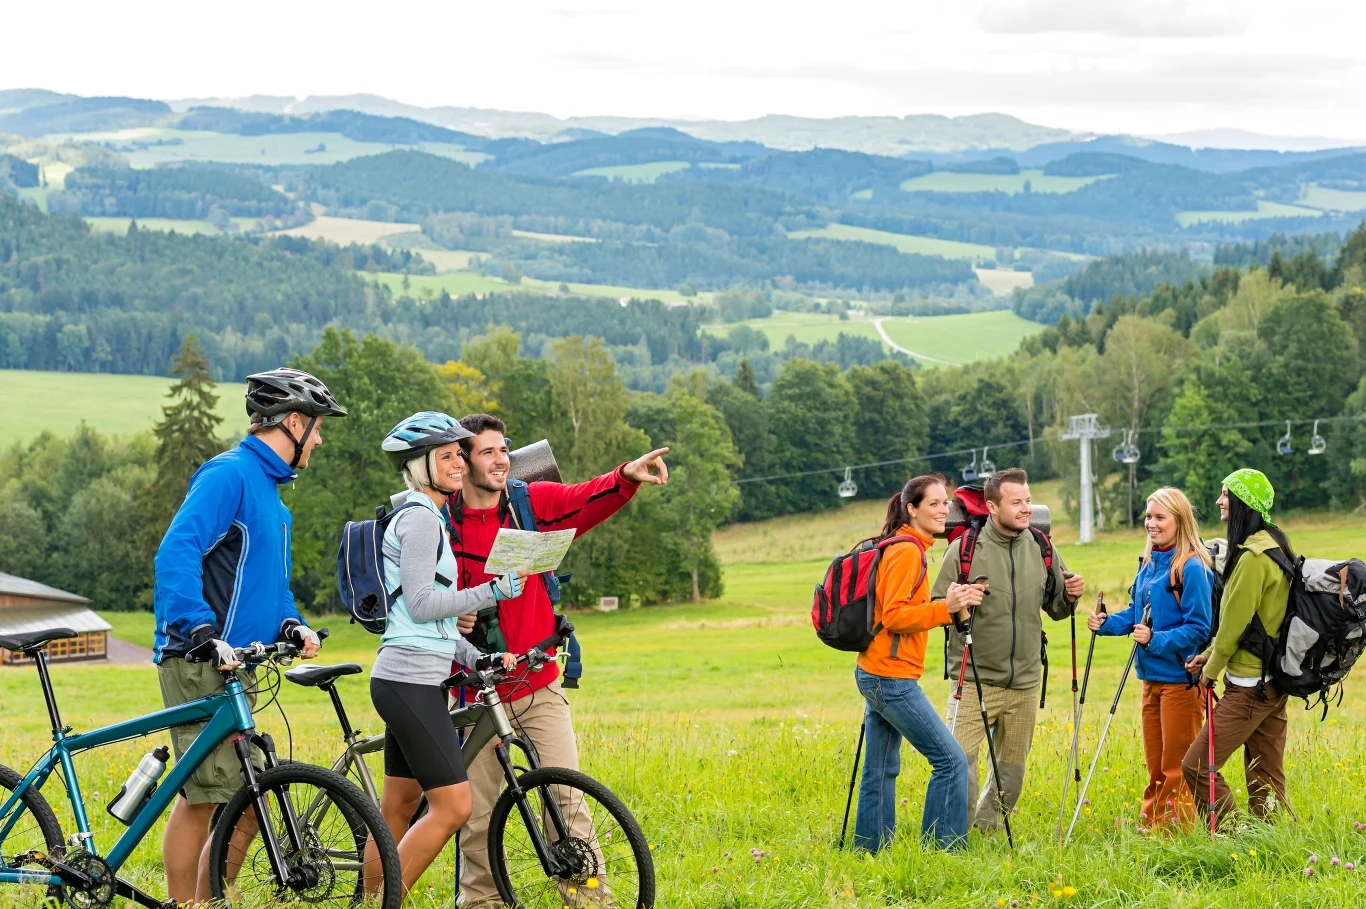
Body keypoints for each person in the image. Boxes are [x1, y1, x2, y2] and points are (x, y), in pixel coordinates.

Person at [446, 413, 670, 905]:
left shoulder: (529, 504)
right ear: (460, 463)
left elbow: (583, 500)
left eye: (504, 449)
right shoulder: (439, 523)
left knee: (566, 805)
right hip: (473, 695)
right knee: (478, 819)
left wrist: (626, 476)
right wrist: (452, 620)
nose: (502, 459)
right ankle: (482, 903)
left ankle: (589, 899)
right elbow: (415, 600)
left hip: (537, 683)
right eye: (488, 452)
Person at [152, 367, 341, 905]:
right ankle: (184, 903)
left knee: (248, 797)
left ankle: (212, 896)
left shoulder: (273, 498)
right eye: (318, 427)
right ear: (295, 422)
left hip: (239, 667)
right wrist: (200, 630)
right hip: (200, 659)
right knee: (208, 794)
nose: (320, 439)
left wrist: (291, 622)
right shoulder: (228, 475)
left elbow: (270, 585)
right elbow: (176, 552)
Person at [362, 412, 526, 896]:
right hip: (409, 681)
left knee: (399, 805)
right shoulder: (419, 520)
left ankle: (369, 898)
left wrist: (477, 660)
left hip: (414, 674)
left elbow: (426, 624)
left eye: (460, 454)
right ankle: (387, 902)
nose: (459, 464)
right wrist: (489, 592)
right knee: (453, 807)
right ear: (420, 465)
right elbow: (423, 603)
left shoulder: (428, 515)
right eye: (447, 456)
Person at [930, 467, 1084, 832]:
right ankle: (953, 839)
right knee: (959, 766)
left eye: (1028, 501)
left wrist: (1071, 595)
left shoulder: (1043, 547)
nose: (1026, 509)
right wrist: (960, 601)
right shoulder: (964, 550)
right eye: (1016, 502)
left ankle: (986, 833)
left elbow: (1058, 610)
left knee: (1011, 776)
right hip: (973, 679)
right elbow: (937, 606)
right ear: (993, 506)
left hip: (1026, 682)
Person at [854, 474, 975, 852]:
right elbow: (894, 616)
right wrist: (946, 608)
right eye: (934, 504)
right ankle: (944, 852)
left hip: (876, 671)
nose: (944, 511)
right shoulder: (906, 550)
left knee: (880, 770)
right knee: (951, 761)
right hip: (891, 678)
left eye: (946, 504)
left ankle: (869, 851)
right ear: (912, 509)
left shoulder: (905, 546)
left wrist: (944, 604)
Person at [1088, 487, 1212, 831]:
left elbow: (1200, 628)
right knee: (1156, 766)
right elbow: (1135, 613)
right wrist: (1105, 624)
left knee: (1176, 768)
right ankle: (1151, 829)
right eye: (1148, 516)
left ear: (1179, 521)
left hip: (1181, 683)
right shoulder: (1149, 562)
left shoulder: (1192, 567)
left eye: (1159, 517)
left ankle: (1174, 836)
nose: (1151, 524)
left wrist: (1155, 640)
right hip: (1151, 680)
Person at [1182, 468, 1296, 826]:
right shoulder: (1275, 543)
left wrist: (1209, 671)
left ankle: (1233, 840)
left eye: (1226, 494)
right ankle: (1273, 844)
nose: (1219, 501)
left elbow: (1234, 626)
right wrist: (1209, 653)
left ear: (1243, 503)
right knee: (1266, 774)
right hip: (1273, 682)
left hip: (1249, 687)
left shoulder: (1253, 558)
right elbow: (1249, 623)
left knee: (1197, 766)